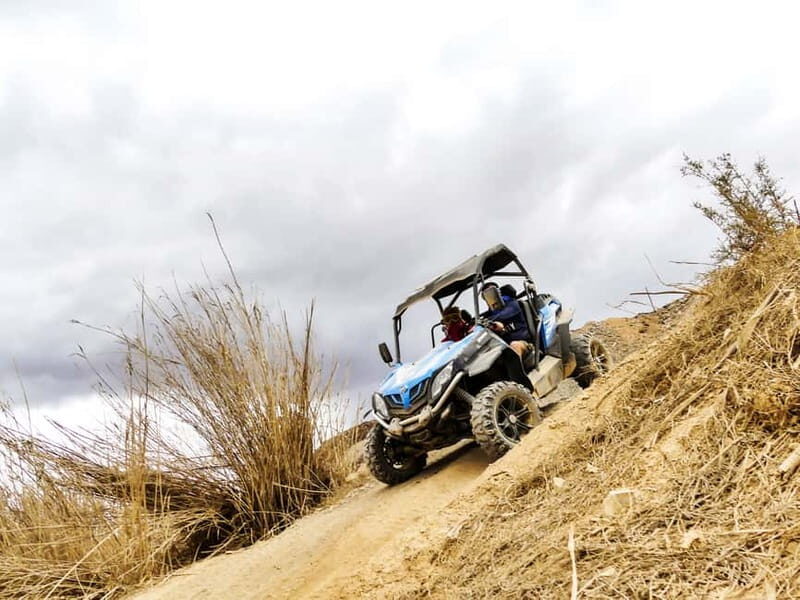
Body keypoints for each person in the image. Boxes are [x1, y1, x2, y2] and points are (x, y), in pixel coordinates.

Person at [480, 282, 531, 358]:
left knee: (514, 346)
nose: (490, 296)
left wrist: (489, 323)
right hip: (502, 349)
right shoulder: (489, 315)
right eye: (486, 295)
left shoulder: (512, 303)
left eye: (492, 291)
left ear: (498, 291)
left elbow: (504, 315)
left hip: (524, 343)